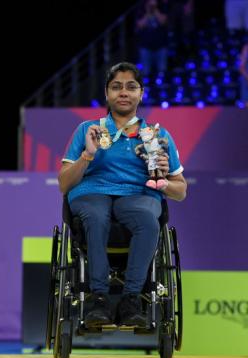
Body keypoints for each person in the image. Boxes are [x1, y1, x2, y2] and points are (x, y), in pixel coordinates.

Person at [58, 62, 187, 328]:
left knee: (148, 220)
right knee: (95, 217)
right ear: (107, 93)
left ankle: (131, 299)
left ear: (141, 93)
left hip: (138, 194)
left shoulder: (156, 135)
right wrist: (87, 155)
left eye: (131, 87)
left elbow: (181, 190)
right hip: (91, 192)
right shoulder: (87, 130)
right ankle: (99, 299)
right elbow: (64, 184)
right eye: (116, 87)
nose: (123, 92)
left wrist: (163, 182)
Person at [136, 0, 169, 77]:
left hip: (161, 47)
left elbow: (163, 22)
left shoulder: (162, 7)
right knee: (145, 73)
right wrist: (148, 12)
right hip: (145, 47)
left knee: (162, 73)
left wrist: (155, 10)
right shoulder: (141, 9)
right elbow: (140, 25)